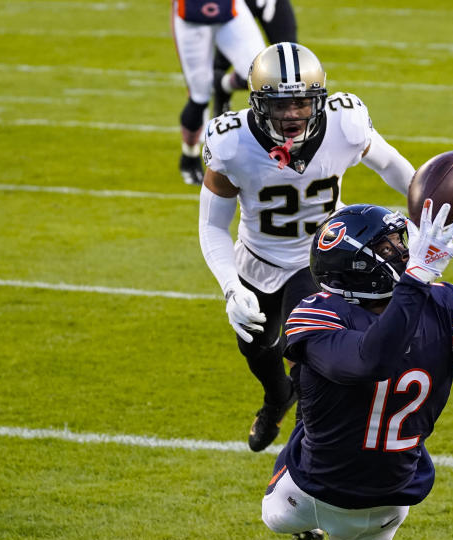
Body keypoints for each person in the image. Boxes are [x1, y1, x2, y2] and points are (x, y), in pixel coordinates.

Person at [260, 185, 453, 540]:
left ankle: (307, 523)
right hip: (374, 500)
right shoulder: (333, 311)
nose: (406, 251)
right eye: (388, 246)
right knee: (313, 392)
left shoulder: (429, 304)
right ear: (359, 266)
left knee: (303, 412)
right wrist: (416, 282)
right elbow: (371, 359)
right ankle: (323, 525)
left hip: (316, 497)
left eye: (400, 241)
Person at [198, 42, 415, 453]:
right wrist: (230, 286)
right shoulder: (232, 144)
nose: (292, 114)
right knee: (258, 349)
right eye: (279, 105)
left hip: (322, 260)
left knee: (311, 367)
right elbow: (212, 226)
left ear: (319, 99)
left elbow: (392, 166)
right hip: (257, 258)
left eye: (301, 102)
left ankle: (301, 470)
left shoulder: (345, 125)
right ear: (258, 103)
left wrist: (425, 214)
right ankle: (275, 397)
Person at [172, 0, 267, 185]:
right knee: (199, 95)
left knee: (263, 75)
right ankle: (189, 156)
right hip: (192, 15)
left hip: (231, 9)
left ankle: (223, 85)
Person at [212, 0, 298, 117]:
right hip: (236, 4)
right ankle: (204, 111)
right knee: (221, 66)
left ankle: (224, 84)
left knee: (291, 64)